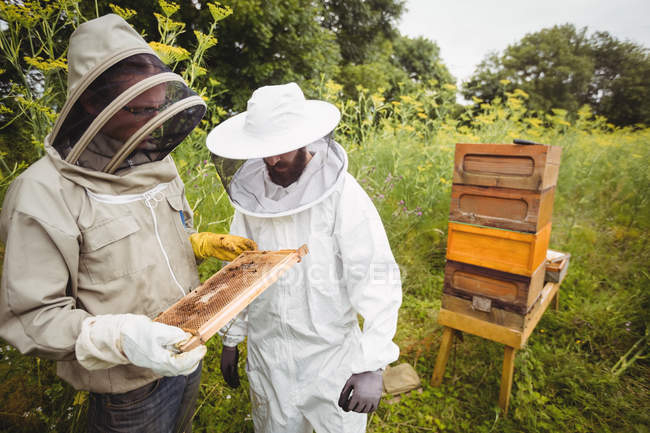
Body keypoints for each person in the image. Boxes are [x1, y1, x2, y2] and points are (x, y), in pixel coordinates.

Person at [0, 14, 256, 433]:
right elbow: (33, 318)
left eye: (158, 109)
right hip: (125, 389)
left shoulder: (158, 162)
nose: (151, 124)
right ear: (92, 103)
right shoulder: (42, 195)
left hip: (188, 355)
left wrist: (198, 243)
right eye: (139, 110)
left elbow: (144, 247)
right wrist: (121, 338)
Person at [206, 82, 402, 432]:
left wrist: (371, 363)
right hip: (269, 355)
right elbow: (239, 271)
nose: (272, 159)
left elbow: (376, 276)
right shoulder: (251, 198)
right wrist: (233, 337)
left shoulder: (343, 195)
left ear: (303, 138)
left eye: (280, 149)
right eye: (264, 150)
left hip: (330, 358)